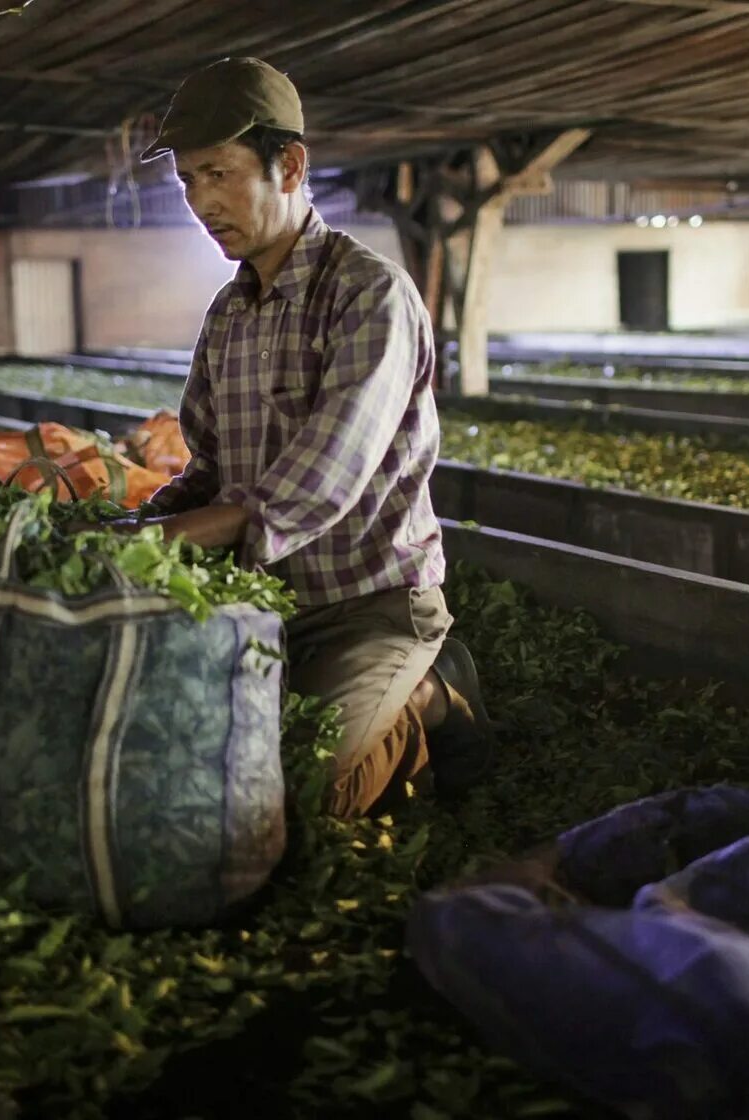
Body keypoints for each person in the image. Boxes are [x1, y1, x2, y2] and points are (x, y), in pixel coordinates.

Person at [136, 57, 494, 818]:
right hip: (264, 604)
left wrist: (184, 534)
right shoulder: (228, 317)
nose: (202, 201)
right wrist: (132, 526)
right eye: (188, 183)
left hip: (370, 605)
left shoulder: (371, 296)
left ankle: (433, 697)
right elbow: (209, 467)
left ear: (289, 164)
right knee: (179, 770)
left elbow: (329, 473)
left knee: (296, 799)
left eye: (217, 174)